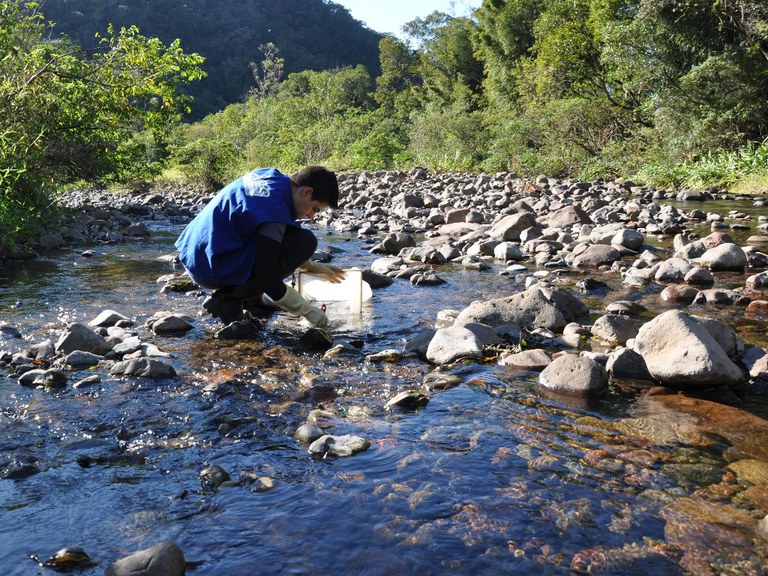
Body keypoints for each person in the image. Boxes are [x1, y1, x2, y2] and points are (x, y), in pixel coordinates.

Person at [175, 165, 346, 327]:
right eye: (315, 209)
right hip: (209, 268)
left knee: (294, 241)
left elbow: (262, 235)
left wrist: (311, 266)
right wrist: (307, 311)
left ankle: (252, 300)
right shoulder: (274, 213)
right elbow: (267, 279)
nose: (310, 216)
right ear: (307, 192)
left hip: (196, 252)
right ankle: (229, 299)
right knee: (305, 242)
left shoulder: (272, 178)